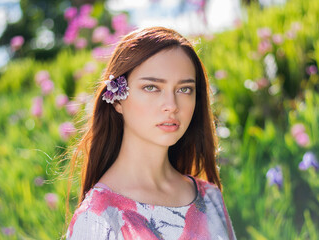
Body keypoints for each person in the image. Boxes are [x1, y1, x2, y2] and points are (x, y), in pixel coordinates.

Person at [66, 26, 236, 240]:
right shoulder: (98, 219)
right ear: (117, 99)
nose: (171, 105)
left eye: (184, 89)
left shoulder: (210, 198)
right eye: (152, 87)